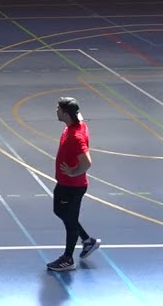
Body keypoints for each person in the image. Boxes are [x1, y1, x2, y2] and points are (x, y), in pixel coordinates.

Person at [48, 96, 101, 271]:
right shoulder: (76, 124)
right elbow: (78, 114)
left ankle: (68, 259)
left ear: (65, 114)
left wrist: (73, 172)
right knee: (60, 211)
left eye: (59, 109)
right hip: (64, 184)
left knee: (70, 221)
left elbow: (87, 162)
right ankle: (87, 240)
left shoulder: (75, 136)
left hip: (72, 187)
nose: (56, 111)